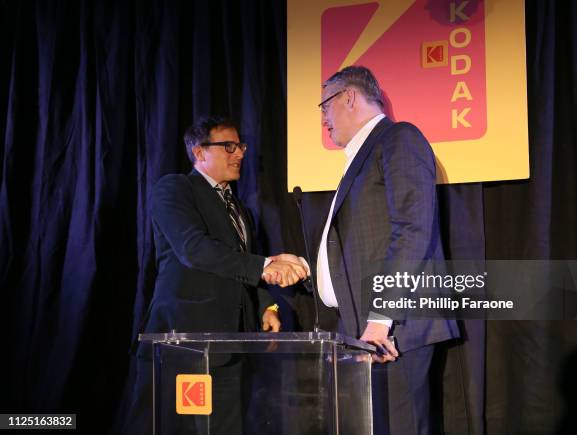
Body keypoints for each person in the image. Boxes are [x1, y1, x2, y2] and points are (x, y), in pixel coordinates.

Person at [124, 115, 308, 434]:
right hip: (182, 345)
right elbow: (193, 249)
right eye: (228, 146)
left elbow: (239, 262)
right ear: (199, 152)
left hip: (228, 346)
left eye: (240, 146)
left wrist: (266, 304)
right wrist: (265, 266)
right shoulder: (175, 189)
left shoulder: (239, 209)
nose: (239, 154)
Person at [315, 66, 459, 435]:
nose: (323, 118)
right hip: (365, 330)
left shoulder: (398, 138)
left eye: (324, 105)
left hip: (395, 330)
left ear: (348, 97)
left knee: (402, 426)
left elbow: (413, 228)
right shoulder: (361, 156)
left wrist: (381, 317)